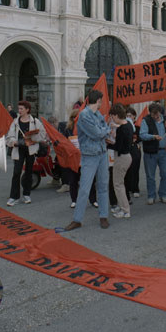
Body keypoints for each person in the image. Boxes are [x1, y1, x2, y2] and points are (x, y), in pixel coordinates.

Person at [65, 89, 111, 231]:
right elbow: (97, 133)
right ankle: (77, 220)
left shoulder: (98, 114)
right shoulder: (84, 115)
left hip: (102, 153)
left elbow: (102, 129)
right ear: (98, 101)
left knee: (103, 186)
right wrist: (107, 130)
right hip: (90, 156)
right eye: (101, 101)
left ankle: (103, 216)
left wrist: (104, 130)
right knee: (85, 188)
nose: (102, 104)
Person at [5, 100, 46, 206]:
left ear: (27, 110)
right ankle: (14, 197)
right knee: (16, 172)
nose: (19, 111)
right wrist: (13, 141)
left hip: (30, 150)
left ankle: (27, 194)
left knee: (28, 172)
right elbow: (9, 136)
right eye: (19, 108)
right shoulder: (15, 122)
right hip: (18, 149)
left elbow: (43, 134)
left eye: (21, 109)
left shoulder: (35, 121)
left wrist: (32, 139)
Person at [62, 110, 97, 209]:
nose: (76, 119)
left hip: (86, 157)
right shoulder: (68, 129)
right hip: (74, 159)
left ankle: (93, 200)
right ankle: (74, 200)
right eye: (74, 118)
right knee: (73, 180)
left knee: (89, 180)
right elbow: (64, 142)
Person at [139, 102, 166, 205]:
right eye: (153, 114)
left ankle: (163, 194)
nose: (156, 116)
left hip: (163, 151)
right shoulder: (146, 120)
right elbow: (142, 135)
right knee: (150, 176)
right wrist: (153, 137)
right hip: (150, 152)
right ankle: (151, 195)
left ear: (160, 112)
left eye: (157, 113)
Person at [107, 104, 133, 219]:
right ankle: (122, 206)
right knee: (120, 184)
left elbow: (118, 147)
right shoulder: (128, 125)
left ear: (116, 115)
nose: (112, 119)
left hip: (121, 157)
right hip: (126, 156)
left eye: (112, 116)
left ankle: (125, 210)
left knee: (118, 184)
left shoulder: (122, 129)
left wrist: (108, 143)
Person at [125, 107, 142, 198]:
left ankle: (135, 188)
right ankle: (128, 187)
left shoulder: (137, 126)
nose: (128, 117)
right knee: (127, 169)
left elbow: (139, 137)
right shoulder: (124, 126)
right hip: (127, 149)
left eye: (130, 116)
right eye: (127, 116)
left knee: (135, 169)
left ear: (134, 116)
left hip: (135, 149)